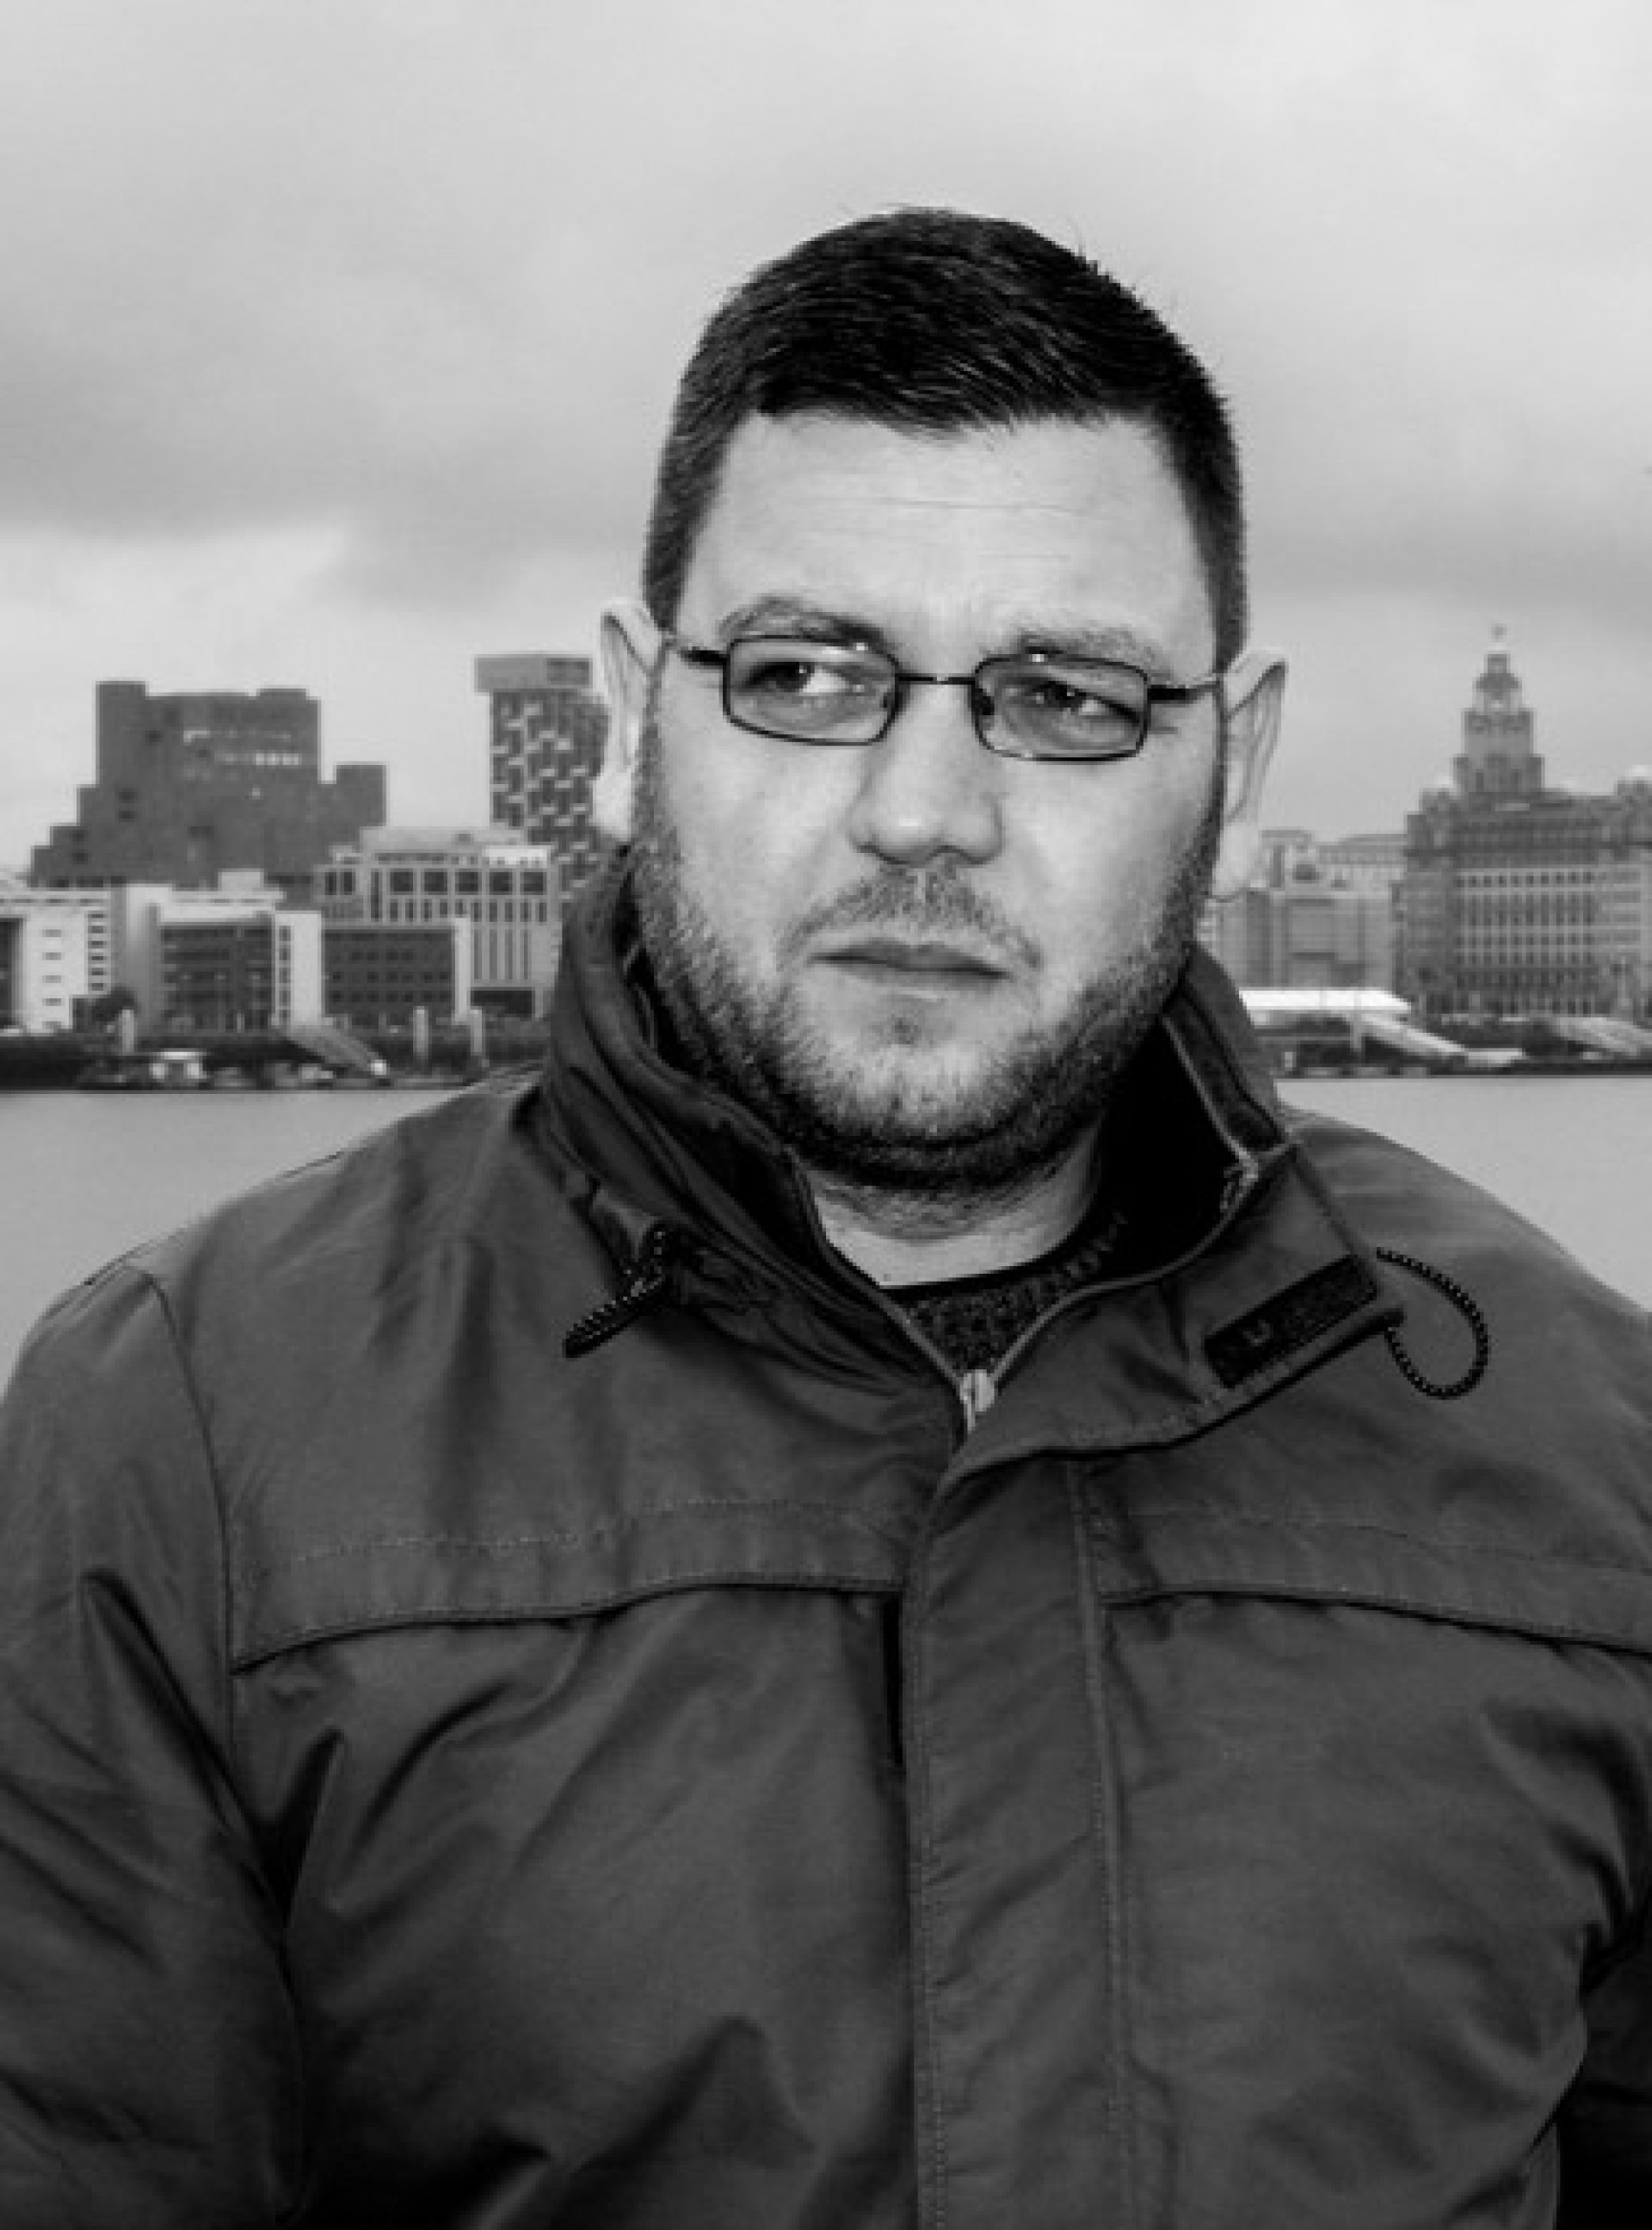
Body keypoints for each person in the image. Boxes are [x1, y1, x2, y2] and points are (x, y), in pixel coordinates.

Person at [0, 208, 1649, 2230]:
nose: (923, 812)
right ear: (635, 719)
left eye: (1067, 696)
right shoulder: (184, 1431)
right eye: (803, 674)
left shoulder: (1587, 1444)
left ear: (1238, 761)